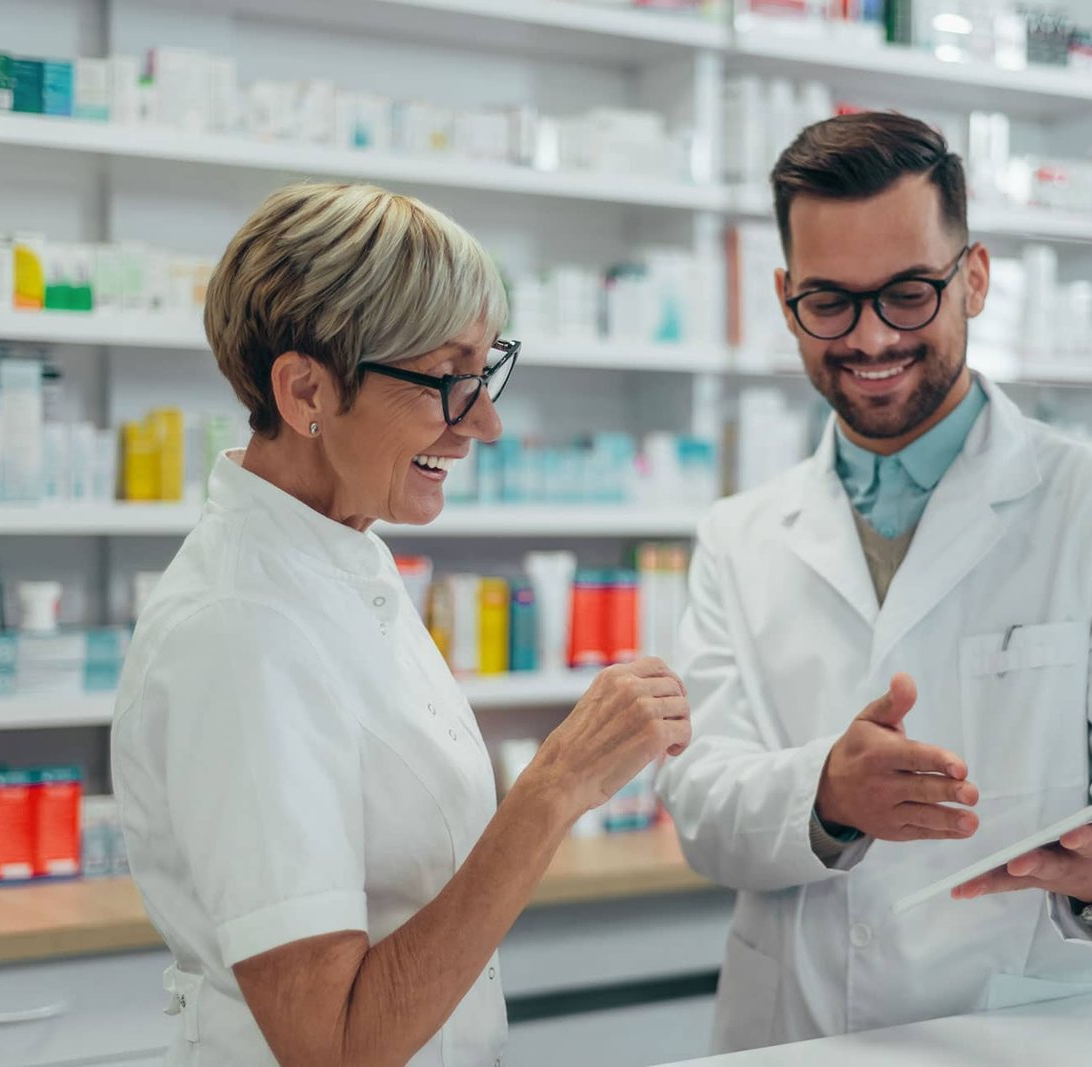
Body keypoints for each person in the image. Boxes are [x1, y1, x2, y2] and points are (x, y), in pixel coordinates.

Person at [653, 112, 1092, 1053]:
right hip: (796, 1029)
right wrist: (826, 797)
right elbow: (703, 813)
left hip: (1024, 1025)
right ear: (785, 295)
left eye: (910, 293)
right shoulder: (737, 535)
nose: (871, 335)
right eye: (830, 302)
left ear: (973, 277)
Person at [111, 181, 692, 1066]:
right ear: (306, 388)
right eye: (450, 380)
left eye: (486, 370)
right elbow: (331, 1046)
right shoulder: (239, 635)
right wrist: (556, 786)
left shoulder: (345, 553)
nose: (485, 423)